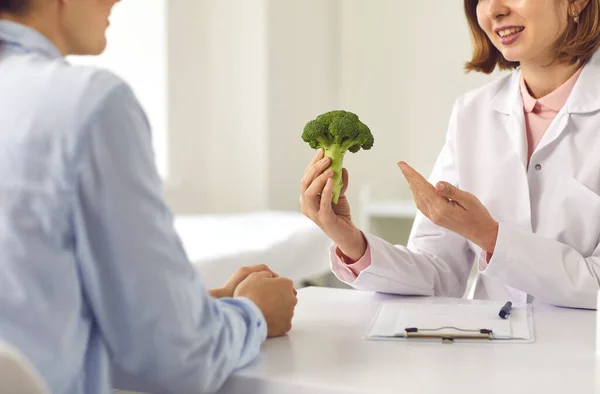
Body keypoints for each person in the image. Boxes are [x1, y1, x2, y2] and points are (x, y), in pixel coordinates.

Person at [0, 1, 297, 393]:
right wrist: (255, 312)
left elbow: (35, 322)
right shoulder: (88, 104)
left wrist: (200, 309)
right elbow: (177, 363)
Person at [301, 0, 600, 309]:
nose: (493, 10)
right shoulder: (472, 113)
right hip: (492, 350)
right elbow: (437, 273)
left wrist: (490, 237)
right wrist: (350, 240)